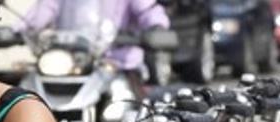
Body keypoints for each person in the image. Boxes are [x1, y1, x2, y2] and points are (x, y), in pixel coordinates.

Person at [19, 0, 171, 77]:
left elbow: (149, 11)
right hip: (74, 61)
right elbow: (40, 14)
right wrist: (17, 30)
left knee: (121, 97)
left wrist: (156, 28)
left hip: (118, 65)